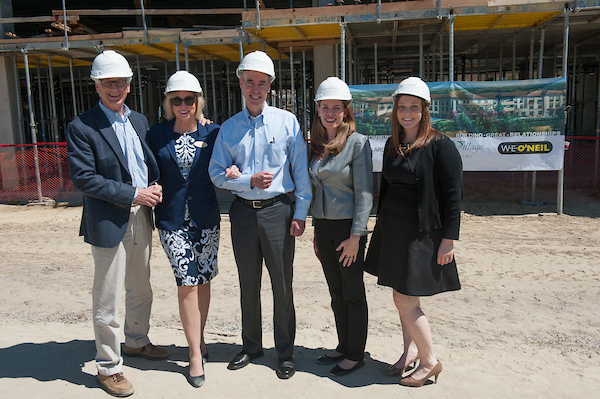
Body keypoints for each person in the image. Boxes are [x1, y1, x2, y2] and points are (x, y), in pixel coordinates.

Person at [66, 50, 168, 397]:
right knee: (107, 297)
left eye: (121, 82)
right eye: (108, 83)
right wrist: (133, 194)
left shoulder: (138, 120)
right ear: (96, 85)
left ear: (129, 85)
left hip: (142, 217)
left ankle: (137, 341)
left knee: (141, 287)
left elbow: (144, 163)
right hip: (110, 219)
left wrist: (152, 187)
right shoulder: (82, 127)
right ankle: (109, 367)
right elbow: (84, 178)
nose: (115, 88)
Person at [208, 50, 312, 380]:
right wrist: (243, 179)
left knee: (282, 286)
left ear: (270, 85)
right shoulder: (229, 128)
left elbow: (301, 172)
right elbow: (215, 172)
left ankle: (285, 353)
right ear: (240, 83)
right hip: (242, 214)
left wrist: (300, 212)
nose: (256, 88)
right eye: (250, 81)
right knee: (247, 284)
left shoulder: (287, 123)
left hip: (278, 212)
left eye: (262, 83)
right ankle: (251, 346)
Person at [365, 77, 462, 387]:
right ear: (395, 110)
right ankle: (409, 353)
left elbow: (453, 195)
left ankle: (430, 360)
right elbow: (388, 189)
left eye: (414, 107)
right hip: (394, 233)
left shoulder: (440, 145)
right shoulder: (394, 144)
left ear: (425, 110)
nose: (407, 113)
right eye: (402, 107)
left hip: (421, 236)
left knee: (406, 300)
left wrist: (448, 240)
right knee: (400, 298)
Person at [146, 71, 220, 388]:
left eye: (189, 99)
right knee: (187, 280)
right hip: (172, 219)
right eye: (177, 100)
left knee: (203, 279)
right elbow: (146, 167)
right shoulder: (156, 134)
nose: (183, 104)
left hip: (206, 217)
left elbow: (231, 161)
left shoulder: (214, 132)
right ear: (169, 102)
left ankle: (199, 338)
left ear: (198, 101)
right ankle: (193, 354)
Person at [308, 77, 373, 377]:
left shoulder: (357, 144)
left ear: (346, 111)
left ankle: (356, 354)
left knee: (352, 293)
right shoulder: (316, 144)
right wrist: (316, 233)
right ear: (318, 110)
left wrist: (356, 237)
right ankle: (344, 344)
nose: (330, 112)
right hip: (324, 227)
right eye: (325, 107)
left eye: (337, 107)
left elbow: (364, 194)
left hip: (348, 230)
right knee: (336, 292)